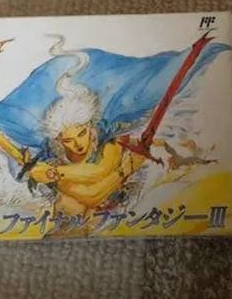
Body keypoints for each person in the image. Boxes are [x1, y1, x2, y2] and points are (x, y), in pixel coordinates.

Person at [27, 81, 148, 216]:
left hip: (119, 208)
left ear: (90, 126)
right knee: (69, 204)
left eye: (82, 134)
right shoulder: (55, 159)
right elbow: (91, 196)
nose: (78, 144)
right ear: (59, 141)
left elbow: (100, 170)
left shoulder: (108, 139)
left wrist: (54, 172)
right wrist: (124, 170)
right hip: (82, 215)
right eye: (68, 140)